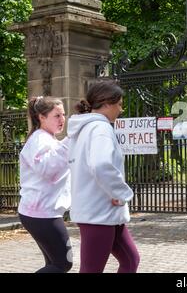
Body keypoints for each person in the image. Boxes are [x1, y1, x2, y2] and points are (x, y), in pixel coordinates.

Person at [67, 80, 140, 273]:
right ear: (107, 103)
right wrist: (121, 193)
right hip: (98, 212)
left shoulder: (85, 129)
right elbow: (101, 165)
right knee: (91, 270)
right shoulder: (100, 129)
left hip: (102, 212)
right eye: (119, 104)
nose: (121, 109)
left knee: (131, 260)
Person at [18, 96, 72, 273]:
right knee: (63, 264)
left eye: (63, 114)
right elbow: (49, 170)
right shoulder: (40, 139)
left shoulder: (47, 138)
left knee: (53, 264)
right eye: (57, 115)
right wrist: (71, 141)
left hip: (41, 212)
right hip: (41, 214)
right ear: (42, 117)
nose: (62, 119)